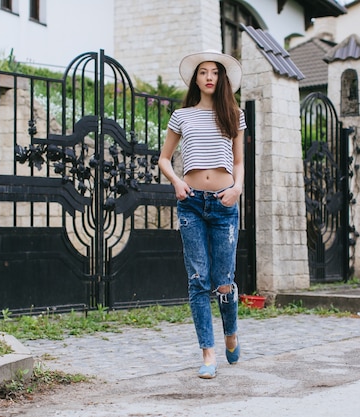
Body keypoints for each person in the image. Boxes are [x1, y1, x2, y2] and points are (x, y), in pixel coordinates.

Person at [158, 50, 246, 379]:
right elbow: (164, 158)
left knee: (223, 283)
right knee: (198, 280)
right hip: (192, 203)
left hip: (224, 203)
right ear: (195, 79)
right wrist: (177, 182)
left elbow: (238, 161)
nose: (209, 77)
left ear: (222, 79)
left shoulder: (234, 115)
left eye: (214, 72)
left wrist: (237, 188)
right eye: (203, 72)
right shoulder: (182, 116)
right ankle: (208, 354)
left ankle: (231, 334)